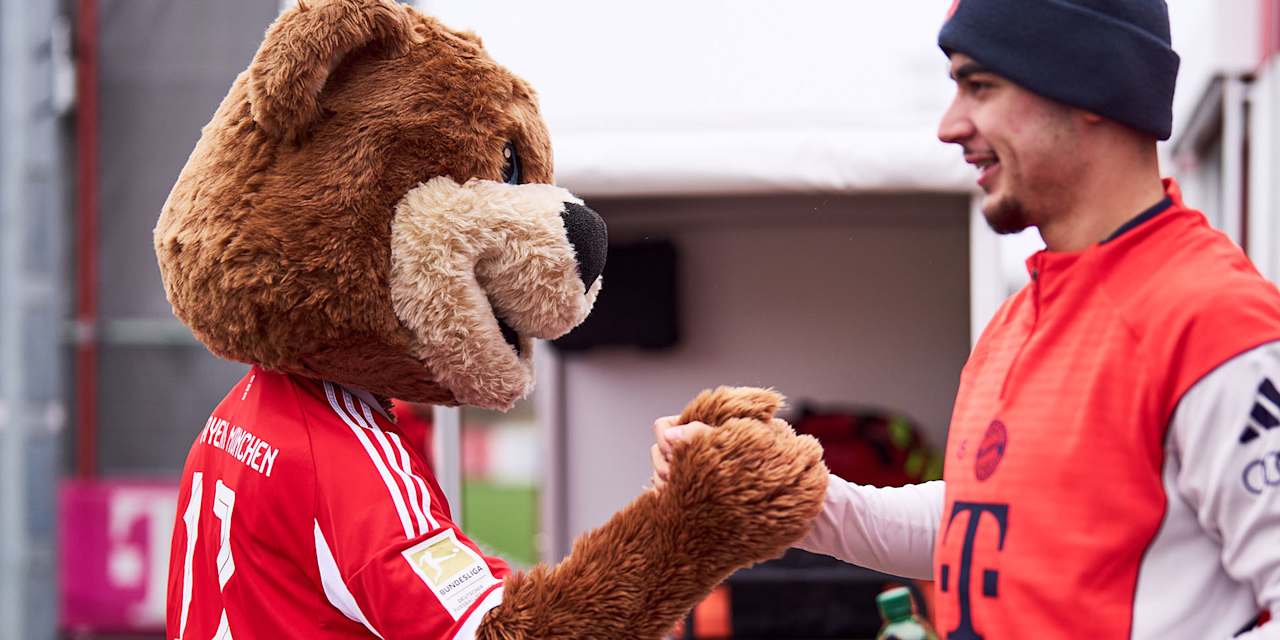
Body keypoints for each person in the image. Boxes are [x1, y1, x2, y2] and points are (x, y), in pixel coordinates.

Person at [652, 1, 1280, 637]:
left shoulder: (1214, 319)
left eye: (979, 85)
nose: (950, 127)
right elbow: (981, 520)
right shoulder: (1019, 320)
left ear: (1091, 80)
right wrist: (782, 497)